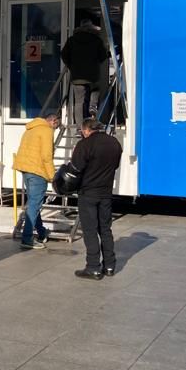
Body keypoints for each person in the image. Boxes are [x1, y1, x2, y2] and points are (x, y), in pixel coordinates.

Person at [70, 118, 123, 280]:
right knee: (105, 229)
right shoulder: (114, 143)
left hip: (88, 193)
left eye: (82, 131)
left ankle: (93, 267)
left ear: (86, 130)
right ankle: (109, 265)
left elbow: (76, 168)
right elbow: (115, 166)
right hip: (106, 192)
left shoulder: (84, 145)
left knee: (90, 230)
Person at [13, 112, 60, 250]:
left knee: (34, 202)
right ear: (53, 121)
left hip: (26, 169)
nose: (55, 129)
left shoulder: (31, 128)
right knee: (34, 204)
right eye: (56, 126)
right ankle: (27, 238)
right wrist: (52, 176)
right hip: (37, 171)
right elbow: (46, 156)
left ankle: (41, 232)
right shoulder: (46, 130)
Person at [61, 19, 109, 120]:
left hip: (77, 75)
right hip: (92, 75)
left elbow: (64, 55)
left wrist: (71, 66)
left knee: (79, 102)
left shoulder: (71, 40)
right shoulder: (96, 40)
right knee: (95, 89)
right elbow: (103, 56)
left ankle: (79, 127)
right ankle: (92, 105)